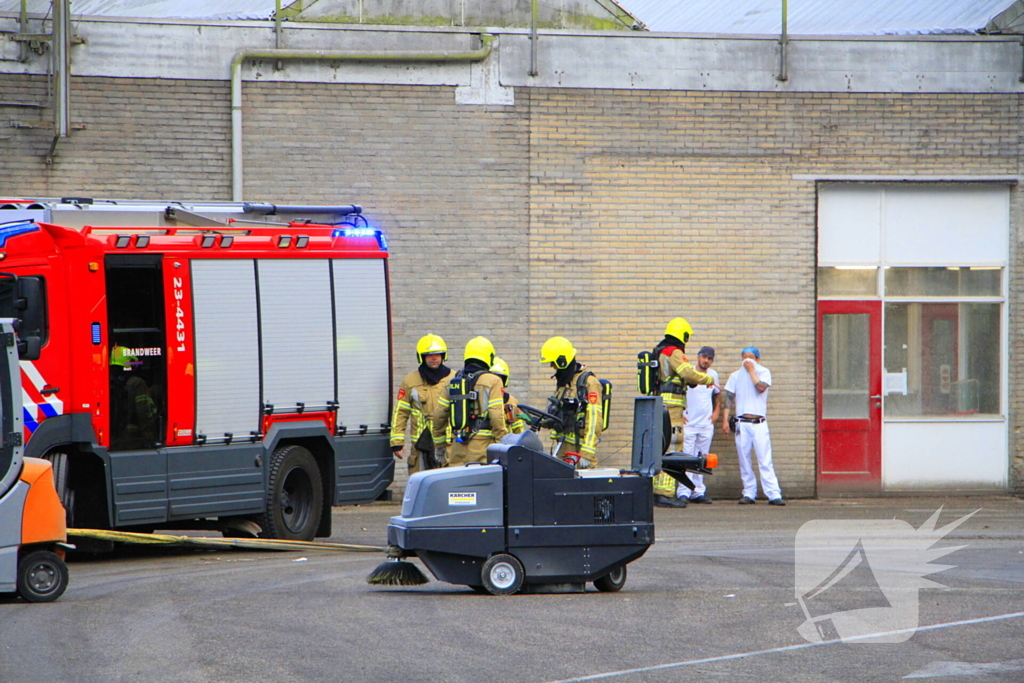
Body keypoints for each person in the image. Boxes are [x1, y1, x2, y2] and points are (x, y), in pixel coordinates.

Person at [653, 318, 716, 508]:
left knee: (662, 446)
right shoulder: (674, 352)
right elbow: (687, 373)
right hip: (671, 407)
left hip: (663, 403)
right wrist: (707, 379)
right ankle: (665, 494)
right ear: (683, 335)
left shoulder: (661, 350)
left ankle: (658, 491)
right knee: (673, 446)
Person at [722, 346, 785, 506]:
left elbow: (761, 388)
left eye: (750, 356)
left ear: (757, 359)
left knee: (764, 459)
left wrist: (751, 372)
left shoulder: (764, 372)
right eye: (744, 357)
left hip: (759, 423)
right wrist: (725, 420)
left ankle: (773, 493)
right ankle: (749, 492)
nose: (747, 360)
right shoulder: (735, 376)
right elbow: (729, 398)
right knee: (744, 459)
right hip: (742, 423)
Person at [432, 336, 508, 467]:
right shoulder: (494, 380)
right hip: (483, 447)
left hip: (457, 444)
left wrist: (439, 445)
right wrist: (503, 441)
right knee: (480, 484)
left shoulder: (453, 381)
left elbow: (439, 415)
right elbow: (496, 415)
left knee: (459, 484)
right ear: (488, 357)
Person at [390, 334, 455, 472]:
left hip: (448, 443)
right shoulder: (410, 381)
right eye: (429, 355)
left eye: (437, 354)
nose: (434, 358)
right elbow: (400, 412)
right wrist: (397, 442)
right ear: (422, 357)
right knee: (420, 483)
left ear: (443, 356)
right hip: (421, 445)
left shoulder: (454, 379)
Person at [538, 336, 603, 468]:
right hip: (563, 451)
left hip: (579, 453)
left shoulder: (589, 383)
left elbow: (594, 421)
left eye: (553, 362)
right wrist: (537, 421)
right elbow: (558, 416)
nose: (552, 366)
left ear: (562, 361)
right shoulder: (564, 384)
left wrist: (587, 454)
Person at [681, 346, 720, 504]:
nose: (706, 361)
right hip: (689, 424)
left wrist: (716, 412)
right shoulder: (689, 372)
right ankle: (684, 491)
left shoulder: (713, 375)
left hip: (706, 424)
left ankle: (697, 492)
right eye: (704, 357)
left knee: (702, 459)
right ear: (698, 357)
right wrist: (680, 413)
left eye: (709, 358)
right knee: (686, 458)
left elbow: (718, 395)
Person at [490, 357, 527, 434]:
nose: (496, 382)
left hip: (505, 444)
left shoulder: (511, 401)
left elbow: (518, 430)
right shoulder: (480, 399)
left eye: (498, 379)